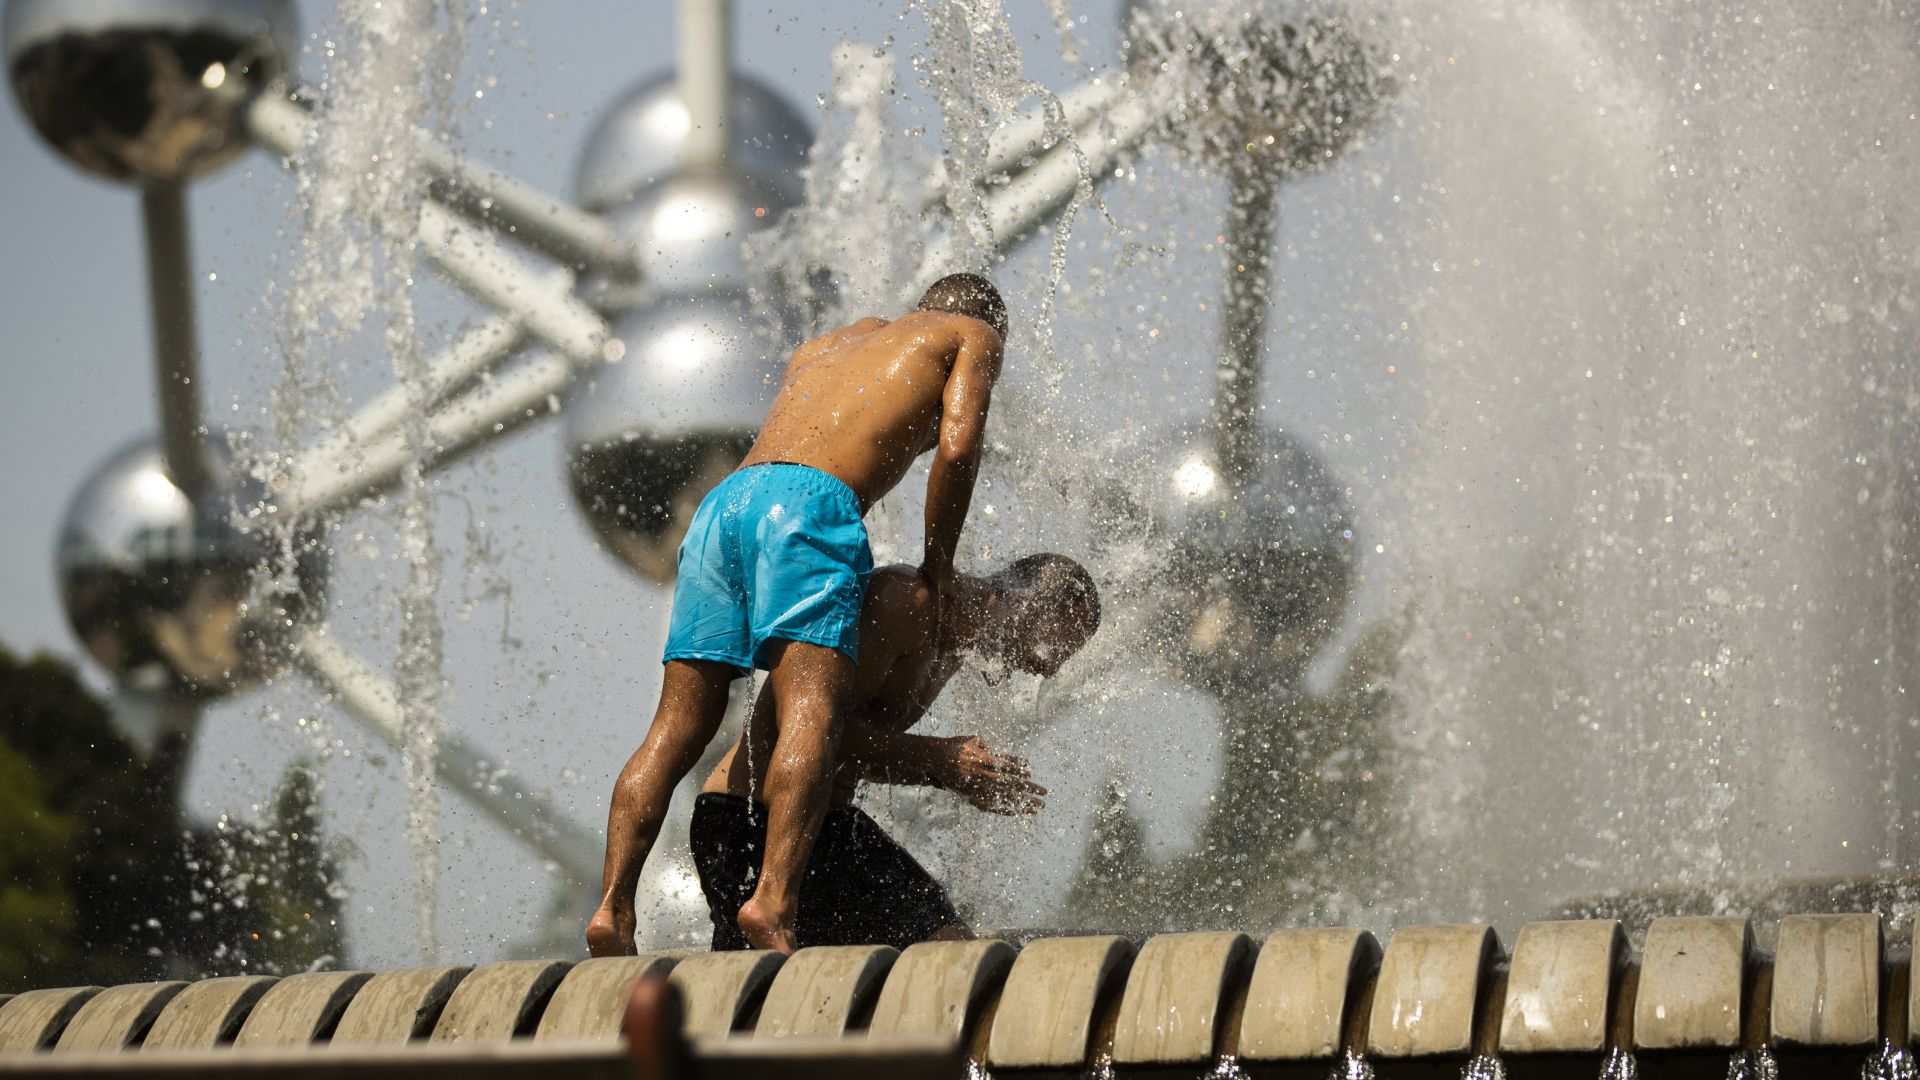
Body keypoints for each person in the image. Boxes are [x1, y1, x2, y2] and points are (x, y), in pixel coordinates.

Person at [587, 274, 1010, 956]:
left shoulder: (831, 345)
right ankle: (775, 903)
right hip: (807, 508)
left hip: (727, 503)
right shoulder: (972, 335)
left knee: (675, 725)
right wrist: (938, 566)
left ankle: (612, 909)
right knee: (811, 708)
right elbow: (958, 448)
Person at [692, 553, 1101, 950]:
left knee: (950, 949)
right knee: (760, 1001)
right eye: (1055, 649)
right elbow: (811, 727)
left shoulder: (954, 648)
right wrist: (938, 757)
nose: (1047, 671)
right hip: (750, 824)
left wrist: (950, 776)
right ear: (1024, 604)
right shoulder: (905, 601)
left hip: (824, 828)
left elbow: (853, 756)